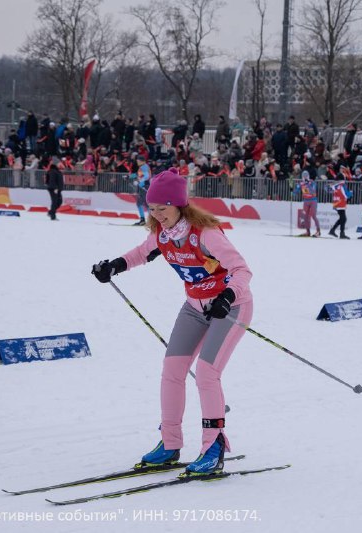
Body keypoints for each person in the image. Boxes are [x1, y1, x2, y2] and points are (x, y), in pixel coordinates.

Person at [91, 169, 253, 475]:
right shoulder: (161, 234)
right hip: (194, 308)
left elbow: (242, 270)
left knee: (206, 372)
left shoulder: (206, 233)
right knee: (172, 370)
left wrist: (228, 297)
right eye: (152, 209)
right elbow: (140, 254)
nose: (156, 215)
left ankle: (214, 446)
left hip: (231, 308)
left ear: (179, 205)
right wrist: (112, 266)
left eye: (162, 209)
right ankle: (169, 443)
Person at [294, 171, 320, 237]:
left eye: (306, 176)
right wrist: (293, 189)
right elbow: (296, 192)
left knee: (313, 215)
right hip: (306, 201)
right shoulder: (301, 183)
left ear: (308, 176)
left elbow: (313, 190)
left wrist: (308, 184)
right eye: (304, 176)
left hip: (313, 200)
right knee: (305, 217)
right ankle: (307, 231)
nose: (305, 177)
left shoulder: (312, 182)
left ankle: (318, 231)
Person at [132, 154, 151, 225]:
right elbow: (138, 175)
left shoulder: (144, 167)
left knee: (142, 204)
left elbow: (146, 176)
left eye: (137, 160)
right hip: (143, 187)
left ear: (141, 161)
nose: (137, 161)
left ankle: (145, 220)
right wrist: (129, 176)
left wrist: (139, 181)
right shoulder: (143, 167)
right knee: (143, 204)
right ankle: (147, 220)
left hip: (144, 187)